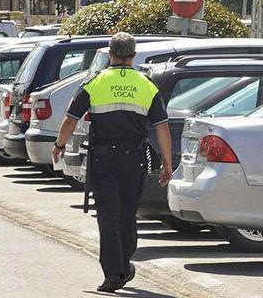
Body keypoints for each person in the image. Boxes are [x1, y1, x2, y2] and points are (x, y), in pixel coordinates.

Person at [52, 32, 173, 293]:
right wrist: (167, 163)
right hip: (135, 159)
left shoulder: (95, 82)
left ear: (110, 54)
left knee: (107, 216)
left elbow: (70, 119)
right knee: (127, 214)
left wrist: (59, 146)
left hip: (103, 158)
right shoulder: (146, 84)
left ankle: (114, 273)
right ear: (133, 55)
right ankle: (123, 265)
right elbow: (162, 127)